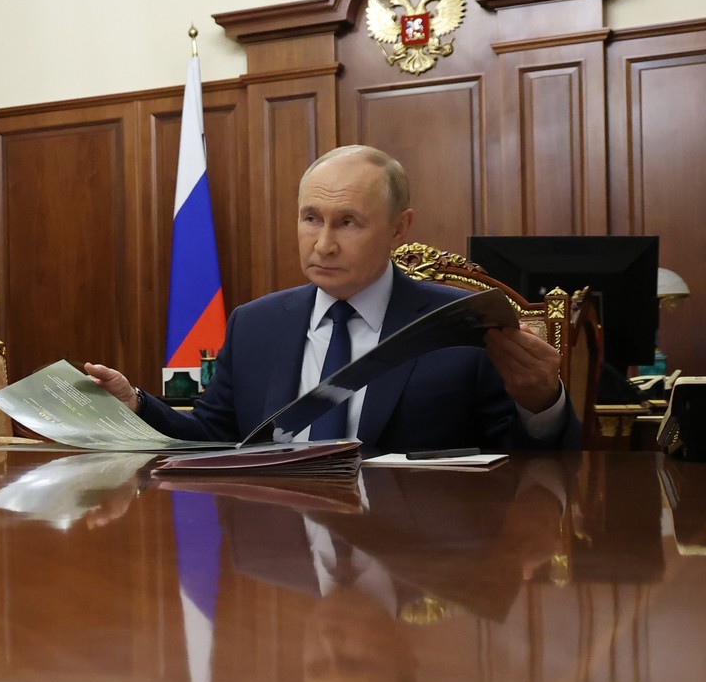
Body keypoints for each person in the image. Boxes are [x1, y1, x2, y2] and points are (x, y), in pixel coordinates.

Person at [83, 145, 580, 454]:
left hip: (414, 568)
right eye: (310, 219)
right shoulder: (255, 324)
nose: (323, 245)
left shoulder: (465, 325)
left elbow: (526, 467)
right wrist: (137, 404)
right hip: (280, 560)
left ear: (399, 228)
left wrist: (541, 403)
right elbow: (216, 436)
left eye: (347, 222)